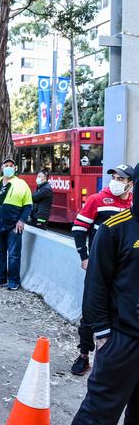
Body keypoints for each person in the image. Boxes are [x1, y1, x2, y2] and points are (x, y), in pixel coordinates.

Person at [71, 163, 139, 425]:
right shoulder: (115, 228)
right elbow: (96, 285)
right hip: (121, 341)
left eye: (122, 178)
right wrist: (102, 335)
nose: (117, 181)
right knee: (98, 415)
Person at [0, 158, 33, 291]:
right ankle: (0, 278)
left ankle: (13, 280)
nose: (8, 167)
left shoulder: (21, 184)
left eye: (11, 165)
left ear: (15, 168)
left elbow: (28, 205)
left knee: (13, 254)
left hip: (14, 226)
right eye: (6, 165)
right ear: (1, 168)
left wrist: (21, 220)